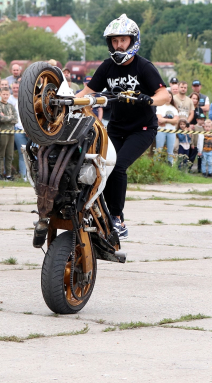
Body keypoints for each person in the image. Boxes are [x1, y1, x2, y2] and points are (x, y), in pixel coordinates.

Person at [76, 13, 170, 238]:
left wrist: (148, 100)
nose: (118, 44)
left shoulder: (143, 66)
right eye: (115, 40)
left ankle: (118, 220)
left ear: (133, 40)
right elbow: (86, 93)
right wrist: (67, 102)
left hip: (142, 129)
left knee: (117, 166)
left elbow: (165, 94)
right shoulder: (107, 66)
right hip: (116, 127)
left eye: (123, 40)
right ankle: (101, 214)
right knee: (100, 167)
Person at [0, 86, 18, 180]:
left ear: (9, 95)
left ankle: (8, 174)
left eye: (7, 94)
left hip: (11, 132)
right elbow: (1, 118)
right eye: (3, 94)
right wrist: (10, 117)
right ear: (0, 95)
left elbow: (16, 119)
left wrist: (8, 117)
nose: (5, 96)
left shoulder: (11, 106)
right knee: (1, 153)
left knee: (9, 154)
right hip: (2, 132)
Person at [9, 81, 28, 178]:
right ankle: (23, 176)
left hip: (31, 131)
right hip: (19, 130)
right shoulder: (16, 103)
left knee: (34, 153)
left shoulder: (31, 100)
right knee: (22, 153)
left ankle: (34, 175)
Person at [155, 99, 178, 165]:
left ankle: (170, 166)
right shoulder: (159, 107)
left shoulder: (174, 108)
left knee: (170, 151)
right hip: (161, 130)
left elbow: (176, 121)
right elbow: (159, 119)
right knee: (159, 149)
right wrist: (171, 121)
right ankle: (156, 165)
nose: (169, 98)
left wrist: (165, 120)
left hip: (171, 131)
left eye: (170, 97)